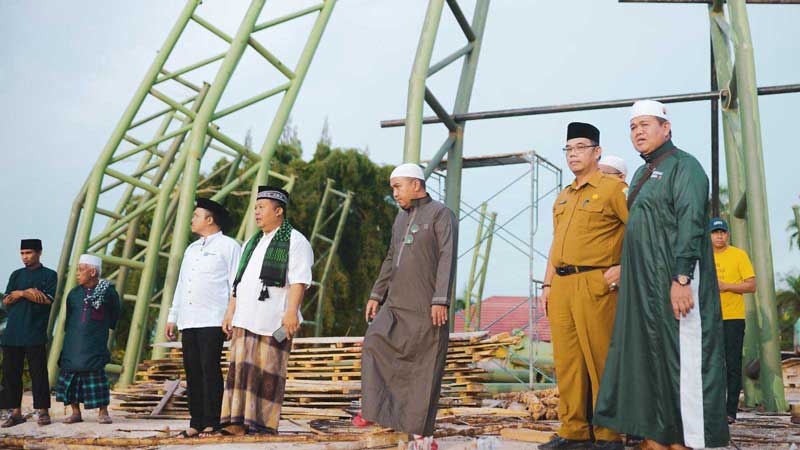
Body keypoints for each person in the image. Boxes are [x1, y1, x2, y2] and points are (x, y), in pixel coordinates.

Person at [594, 100, 729, 449]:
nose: (638, 132)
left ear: (665, 128)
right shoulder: (641, 174)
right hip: (644, 289)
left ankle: (691, 439)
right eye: (633, 126)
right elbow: (643, 230)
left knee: (683, 363)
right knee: (649, 361)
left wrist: (682, 278)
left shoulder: (685, 167)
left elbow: (691, 224)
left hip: (675, 284)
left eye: (645, 125)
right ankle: (658, 435)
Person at [356, 163, 457, 450]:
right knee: (374, 342)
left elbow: (448, 258)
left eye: (397, 186)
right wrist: (377, 294)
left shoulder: (440, 214)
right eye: (392, 188)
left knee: (423, 367)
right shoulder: (400, 219)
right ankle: (375, 411)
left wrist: (441, 299)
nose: (394, 193)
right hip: (396, 303)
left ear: (416, 184)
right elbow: (391, 258)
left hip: (427, 305)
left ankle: (422, 435)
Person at [539, 123, 627, 450]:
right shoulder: (564, 196)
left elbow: (640, 231)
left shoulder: (613, 189)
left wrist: (623, 268)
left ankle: (608, 434)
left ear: (597, 151)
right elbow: (555, 244)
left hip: (596, 282)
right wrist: (547, 285)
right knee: (567, 362)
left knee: (601, 358)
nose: (574, 155)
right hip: (561, 285)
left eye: (580, 148)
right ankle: (574, 431)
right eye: (569, 149)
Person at [218, 186, 313, 436]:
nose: (257, 213)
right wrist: (230, 312)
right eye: (256, 208)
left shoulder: (295, 240)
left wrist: (292, 312)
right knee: (240, 370)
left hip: (275, 320)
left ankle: (262, 425)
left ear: (278, 210)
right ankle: (235, 423)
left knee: (269, 372)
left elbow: (299, 281)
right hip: (244, 317)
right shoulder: (251, 242)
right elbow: (238, 281)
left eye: (262, 208)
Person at [166, 198, 241, 438]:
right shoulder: (191, 249)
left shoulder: (229, 246)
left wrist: (231, 315)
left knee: (210, 369)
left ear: (210, 220)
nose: (192, 219)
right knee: (192, 371)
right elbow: (181, 284)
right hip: (189, 319)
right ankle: (195, 421)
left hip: (213, 319)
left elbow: (235, 284)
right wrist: (172, 316)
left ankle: (213, 421)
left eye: (196, 215)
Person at [56, 254, 120, 424]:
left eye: (81, 270)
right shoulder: (74, 294)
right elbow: (69, 316)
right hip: (73, 341)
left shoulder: (109, 292)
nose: (77, 273)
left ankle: (103, 413)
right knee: (70, 376)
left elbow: (115, 313)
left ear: (92, 272)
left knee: (96, 374)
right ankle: (75, 413)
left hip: (94, 341)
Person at [1, 239, 57, 427]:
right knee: (11, 374)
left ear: (39, 253)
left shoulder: (49, 275)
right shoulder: (16, 275)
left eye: (29, 253)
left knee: (38, 373)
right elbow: (7, 300)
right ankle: (15, 412)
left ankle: (43, 411)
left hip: (34, 332)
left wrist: (23, 294)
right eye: (22, 253)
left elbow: (47, 300)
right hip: (13, 333)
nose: (25, 257)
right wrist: (27, 293)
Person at [709, 217, 756, 424]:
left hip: (733, 319)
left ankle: (730, 412)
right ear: (709, 235)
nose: (719, 236)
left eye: (722, 232)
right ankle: (712, 409)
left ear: (727, 234)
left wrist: (726, 286)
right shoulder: (703, 256)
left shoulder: (739, 255)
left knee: (732, 365)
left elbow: (751, 286)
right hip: (709, 318)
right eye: (715, 232)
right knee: (711, 364)